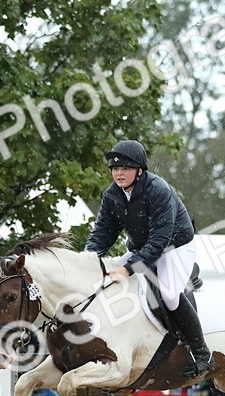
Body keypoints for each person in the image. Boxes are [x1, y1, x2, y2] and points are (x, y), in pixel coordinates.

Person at [84, 139, 212, 379]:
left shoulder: (158, 190)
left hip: (174, 247)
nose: (119, 173)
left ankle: (201, 351)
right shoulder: (112, 195)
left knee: (169, 294)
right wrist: (88, 259)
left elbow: (159, 242)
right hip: (143, 248)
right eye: (115, 168)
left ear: (140, 170)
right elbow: (103, 232)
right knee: (108, 283)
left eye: (125, 168)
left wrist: (128, 269)